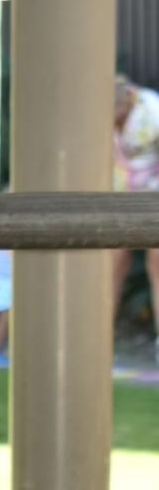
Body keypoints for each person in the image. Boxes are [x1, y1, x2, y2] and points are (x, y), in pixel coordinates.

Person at [112, 75, 159, 363]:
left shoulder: (151, 108)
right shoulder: (91, 111)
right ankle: (99, 339)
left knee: (158, 264)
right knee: (109, 264)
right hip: (115, 196)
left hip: (154, 194)